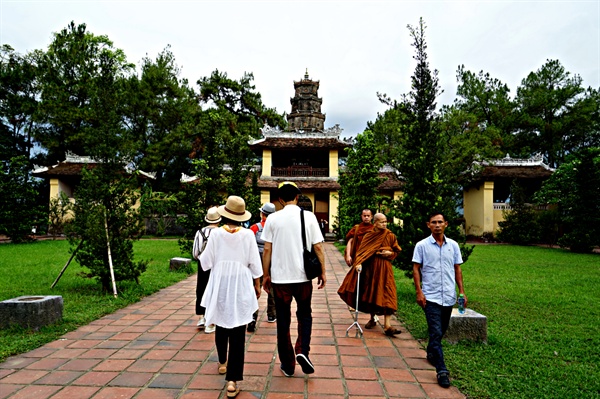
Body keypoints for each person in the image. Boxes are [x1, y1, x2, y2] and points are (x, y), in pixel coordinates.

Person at [199, 196, 262, 398]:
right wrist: (257, 284)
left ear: (225, 214)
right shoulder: (247, 235)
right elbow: (255, 264)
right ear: (242, 215)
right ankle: (233, 381)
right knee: (238, 331)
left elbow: (205, 263)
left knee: (221, 322)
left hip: (221, 283)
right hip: (241, 283)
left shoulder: (216, 234)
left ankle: (222, 361)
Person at [261, 181, 326, 377]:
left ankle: (288, 364)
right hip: (303, 277)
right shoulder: (308, 217)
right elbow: (318, 247)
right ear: (297, 197)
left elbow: (267, 249)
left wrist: (266, 275)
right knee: (305, 314)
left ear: (280, 199)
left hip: (280, 279)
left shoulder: (272, 219)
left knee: (283, 320)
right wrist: (322, 271)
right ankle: (303, 350)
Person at [412, 211, 467, 389]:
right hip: (431, 296)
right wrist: (419, 292)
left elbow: (457, 269)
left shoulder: (453, 246)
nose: (437, 225)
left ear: (446, 224)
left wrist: (461, 292)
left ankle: (431, 351)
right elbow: (416, 269)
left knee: (440, 331)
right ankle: (442, 370)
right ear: (428, 225)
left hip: (449, 296)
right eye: (434, 222)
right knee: (435, 332)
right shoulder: (421, 245)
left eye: (440, 222)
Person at [338, 213, 402, 336]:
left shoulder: (390, 235)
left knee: (388, 292)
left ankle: (387, 325)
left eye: (385, 222)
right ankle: (372, 318)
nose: (384, 224)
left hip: (385, 268)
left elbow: (396, 250)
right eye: (382, 222)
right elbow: (362, 252)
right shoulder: (369, 236)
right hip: (371, 268)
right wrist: (358, 263)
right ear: (376, 223)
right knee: (372, 292)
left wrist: (389, 253)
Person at [343, 209, 376, 324]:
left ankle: (372, 315)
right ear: (361, 216)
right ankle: (353, 303)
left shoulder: (374, 229)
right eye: (364, 215)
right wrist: (348, 255)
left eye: (368, 216)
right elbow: (350, 241)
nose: (366, 218)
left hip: (371, 260)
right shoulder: (357, 228)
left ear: (372, 217)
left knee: (370, 285)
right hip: (358, 259)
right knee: (354, 282)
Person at [248, 202, 277, 330]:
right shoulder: (277, 227)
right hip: (272, 259)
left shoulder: (255, 228)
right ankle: (272, 314)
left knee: (255, 286)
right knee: (272, 288)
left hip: (256, 259)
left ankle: (252, 315)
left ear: (262, 214)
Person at [192, 207, 221, 333]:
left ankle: (203, 316)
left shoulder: (200, 232)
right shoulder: (221, 232)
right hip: (217, 264)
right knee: (215, 289)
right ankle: (212, 318)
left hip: (203, 263)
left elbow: (195, 252)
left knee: (202, 288)